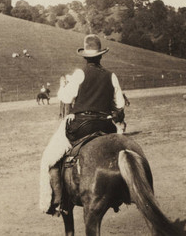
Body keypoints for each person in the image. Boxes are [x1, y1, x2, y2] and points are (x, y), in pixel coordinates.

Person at [39, 34, 125, 215]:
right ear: (101, 55)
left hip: (82, 125)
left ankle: (57, 201)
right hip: (107, 126)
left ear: (85, 57)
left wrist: (64, 85)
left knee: (49, 158)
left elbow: (64, 98)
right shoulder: (111, 75)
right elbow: (120, 104)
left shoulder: (79, 74)